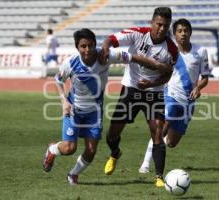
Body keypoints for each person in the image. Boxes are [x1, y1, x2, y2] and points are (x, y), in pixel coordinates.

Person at [42, 28, 169, 185]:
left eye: (90, 45)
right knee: (69, 148)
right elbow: (58, 80)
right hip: (74, 110)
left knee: (91, 150)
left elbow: (134, 58)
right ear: (77, 47)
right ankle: (52, 149)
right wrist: (64, 101)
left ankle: (73, 174)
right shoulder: (71, 63)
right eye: (83, 46)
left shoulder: (106, 56)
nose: (87, 50)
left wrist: (157, 65)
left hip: (94, 113)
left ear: (95, 44)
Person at [99, 7, 178, 187]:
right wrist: (105, 48)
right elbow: (110, 40)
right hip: (131, 89)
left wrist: (151, 84)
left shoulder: (172, 49)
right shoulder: (137, 33)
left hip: (154, 93)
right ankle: (115, 153)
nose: (162, 29)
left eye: (166, 26)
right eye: (158, 24)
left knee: (157, 132)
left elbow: (168, 74)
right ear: (151, 22)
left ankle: (159, 177)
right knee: (112, 134)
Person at [138, 18, 210, 174]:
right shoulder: (169, 51)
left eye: (186, 30)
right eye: (179, 31)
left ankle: (158, 150)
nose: (183, 34)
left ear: (190, 32)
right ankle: (145, 164)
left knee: (171, 142)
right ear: (174, 34)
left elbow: (205, 77)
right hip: (170, 96)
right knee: (161, 130)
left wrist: (198, 88)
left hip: (188, 102)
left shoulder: (201, 52)